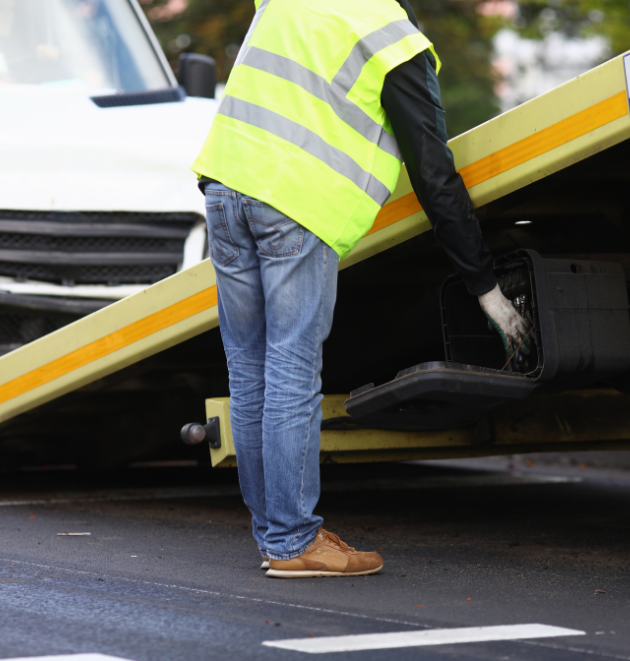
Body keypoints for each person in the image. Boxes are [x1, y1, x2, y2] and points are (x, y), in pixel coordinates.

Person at [192, 0, 530, 578]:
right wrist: (485, 285)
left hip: (225, 189)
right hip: (293, 208)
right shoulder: (390, 36)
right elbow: (433, 173)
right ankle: (294, 542)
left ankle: (277, 538)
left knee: (249, 371)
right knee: (292, 370)